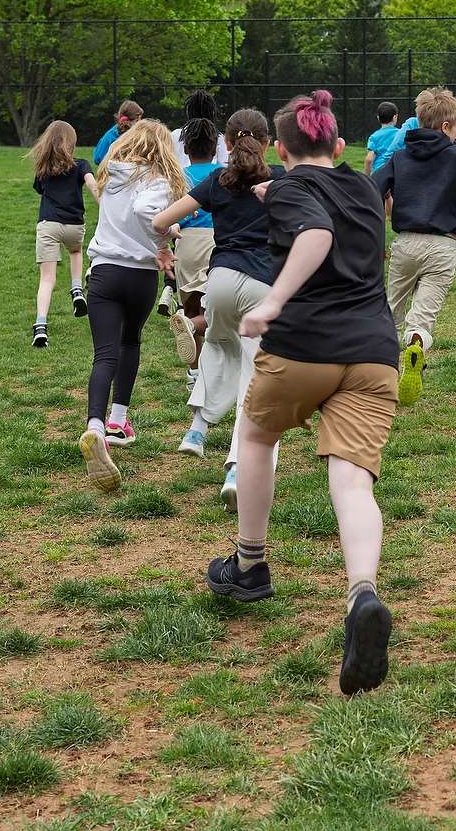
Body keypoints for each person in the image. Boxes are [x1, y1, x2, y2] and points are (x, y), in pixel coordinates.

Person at [204, 90, 399, 696]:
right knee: (352, 479)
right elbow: (321, 207)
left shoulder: (291, 189)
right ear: (340, 148)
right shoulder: (364, 188)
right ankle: (361, 593)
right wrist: (274, 194)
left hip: (303, 349)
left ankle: (251, 563)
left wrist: (274, 301)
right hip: (373, 353)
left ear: (282, 150)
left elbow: (313, 231)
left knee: (255, 437)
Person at [153, 109, 284, 501]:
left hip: (221, 281)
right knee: (257, 378)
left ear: (227, 145)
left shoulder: (217, 179)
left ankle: (197, 427)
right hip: (264, 285)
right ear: (268, 143)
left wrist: (165, 247)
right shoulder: (280, 177)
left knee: (215, 346)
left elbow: (160, 222)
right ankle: (236, 471)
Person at [78, 120, 182, 491]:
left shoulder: (111, 174)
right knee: (131, 343)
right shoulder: (157, 180)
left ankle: (94, 427)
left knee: (103, 355)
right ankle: (118, 421)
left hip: (103, 272)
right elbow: (145, 212)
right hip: (138, 274)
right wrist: (165, 239)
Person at [372, 87, 456, 407]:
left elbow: (372, 190)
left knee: (391, 310)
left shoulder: (399, 156)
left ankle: (383, 376)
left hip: (405, 243)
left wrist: (375, 238)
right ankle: (417, 341)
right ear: (446, 126)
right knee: (423, 315)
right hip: (443, 246)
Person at [29, 120, 98, 348]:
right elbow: (92, 184)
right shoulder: (81, 165)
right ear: (72, 143)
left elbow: (42, 196)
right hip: (73, 225)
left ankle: (40, 326)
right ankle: (77, 288)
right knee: (75, 251)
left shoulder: (42, 169)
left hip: (48, 224)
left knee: (47, 279)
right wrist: (104, 202)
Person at [167, 118, 224, 387]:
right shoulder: (225, 174)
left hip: (186, 241)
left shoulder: (179, 177)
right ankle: (218, 368)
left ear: (186, 149)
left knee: (190, 307)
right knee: (216, 308)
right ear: (215, 148)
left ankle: (195, 372)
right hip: (218, 241)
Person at [171, 90, 230, 169]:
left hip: (181, 180)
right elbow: (225, 166)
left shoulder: (175, 136)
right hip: (212, 180)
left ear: (188, 113)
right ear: (212, 113)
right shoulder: (218, 138)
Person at [93, 99, 143, 166]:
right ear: (138, 118)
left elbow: (97, 158)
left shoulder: (110, 134)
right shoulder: (141, 136)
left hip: (111, 173)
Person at [364, 102, 400, 174]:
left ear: (378, 118)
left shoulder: (374, 137)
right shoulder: (400, 134)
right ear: (394, 117)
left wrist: (366, 178)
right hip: (396, 171)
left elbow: (369, 159)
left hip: (378, 172)